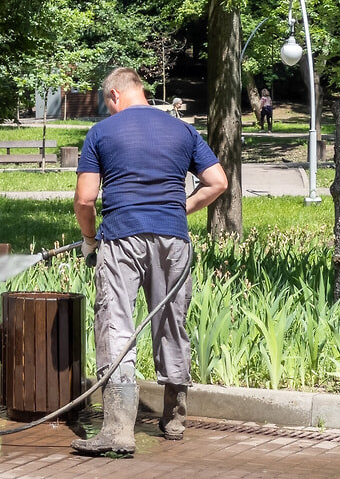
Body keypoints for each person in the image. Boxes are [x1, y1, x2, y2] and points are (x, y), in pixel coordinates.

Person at [71, 67, 227, 455]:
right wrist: (178, 209)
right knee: (172, 322)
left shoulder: (101, 133)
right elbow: (218, 182)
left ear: (114, 95)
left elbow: (85, 199)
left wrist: (89, 240)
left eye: (107, 102)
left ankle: (117, 430)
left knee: (116, 324)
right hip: (174, 240)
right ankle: (174, 420)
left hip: (121, 237)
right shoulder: (183, 130)